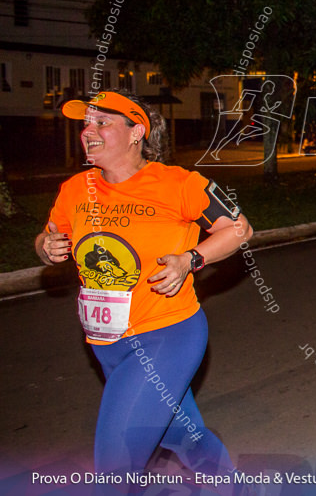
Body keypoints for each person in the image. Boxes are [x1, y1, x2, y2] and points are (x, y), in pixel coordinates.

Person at [35, 90, 252, 482]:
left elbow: (239, 228)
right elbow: (47, 237)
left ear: (136, 132)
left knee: (116, 458)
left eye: (103, 122)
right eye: (86, 123)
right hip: (106, 343)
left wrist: (191, 259)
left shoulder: (178, 183)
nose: (89, 131)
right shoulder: (74, 190)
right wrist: (46, 247)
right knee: (185, 437)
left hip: (167, 335)